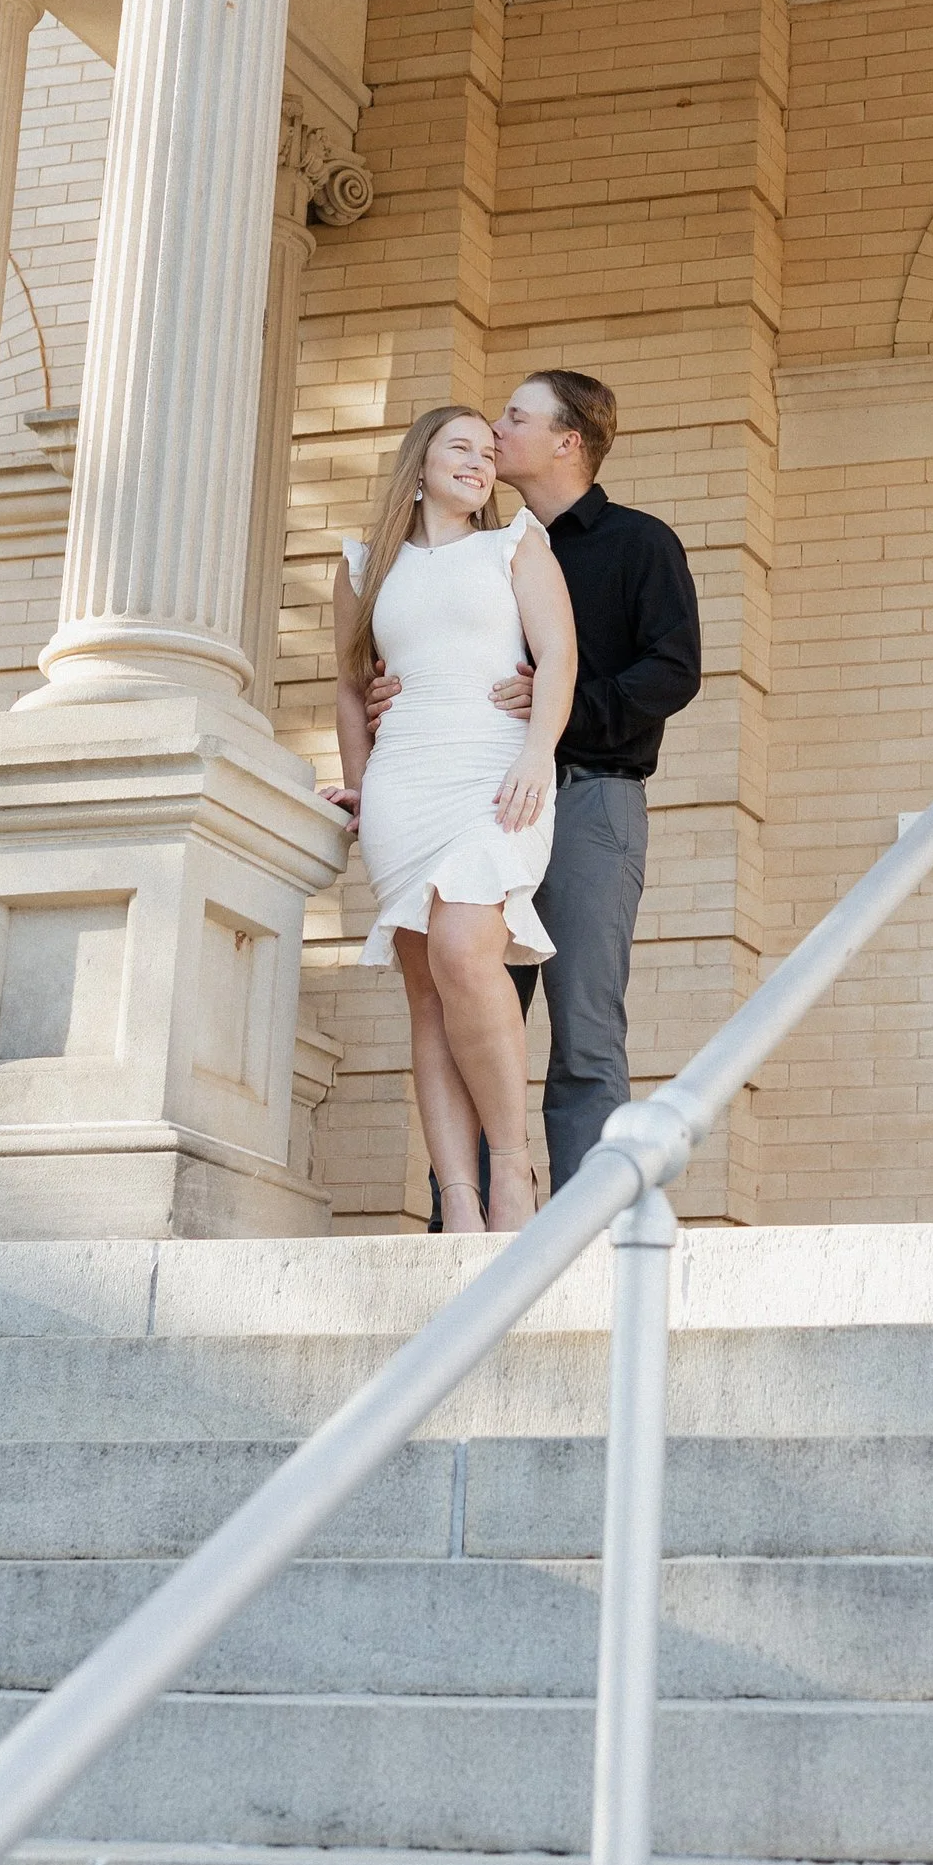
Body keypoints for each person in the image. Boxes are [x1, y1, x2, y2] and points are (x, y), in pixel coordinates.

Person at [368, 370, 700, 1189]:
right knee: (471, 1006)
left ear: (568, 441)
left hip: (589, 797)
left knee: (585, 1025)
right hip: (475, 802)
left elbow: (673, 672)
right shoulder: (467, 553)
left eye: (515, 419)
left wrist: (554, 711)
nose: (497, 431)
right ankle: (477, 1226)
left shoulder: (637, 543)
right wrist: (392, 695)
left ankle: (586, 1229)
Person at [326, 407, 577, 1236]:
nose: (477, 460)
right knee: (428, 997)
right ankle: (459, 1205)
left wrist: (539, 750)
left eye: (486, 450)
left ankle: (512, 1173)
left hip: (496, 775)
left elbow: (559, 656)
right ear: (420, 463)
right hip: (404, 786)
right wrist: (359, 785)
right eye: (457, 448)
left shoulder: (516, 544)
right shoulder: (365, 567)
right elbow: (350, 682)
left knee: (468, 951)